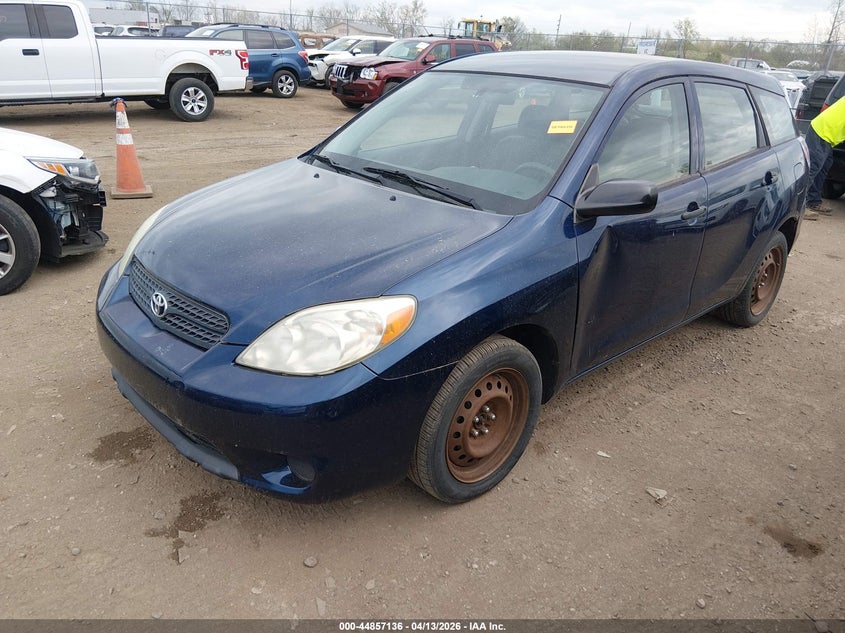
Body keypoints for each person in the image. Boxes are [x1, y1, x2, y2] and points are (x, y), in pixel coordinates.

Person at [804, 95, 845, 218]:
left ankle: (813, 201)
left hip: (827, 134)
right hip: (822, 132)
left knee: (823, 168)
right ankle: (798, 207)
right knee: (812, 170)